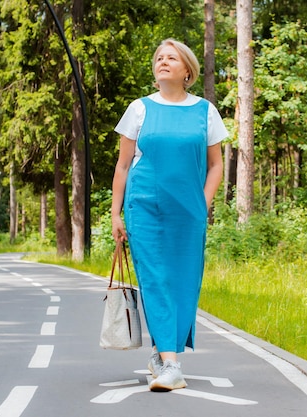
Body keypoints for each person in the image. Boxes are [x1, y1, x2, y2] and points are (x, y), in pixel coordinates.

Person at [111, 39, 228, 392]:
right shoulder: (139, 109)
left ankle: (160, 355)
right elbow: (123, 165)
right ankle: (172, 364)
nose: (163, 62)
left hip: (188, 212)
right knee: (156, 280)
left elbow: (216, 165)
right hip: (144, 208)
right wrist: (115, 214)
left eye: (171, 58)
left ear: (187, 70)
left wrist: (202, 204)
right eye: (159, 57)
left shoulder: (204, 111)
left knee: (184, 282)